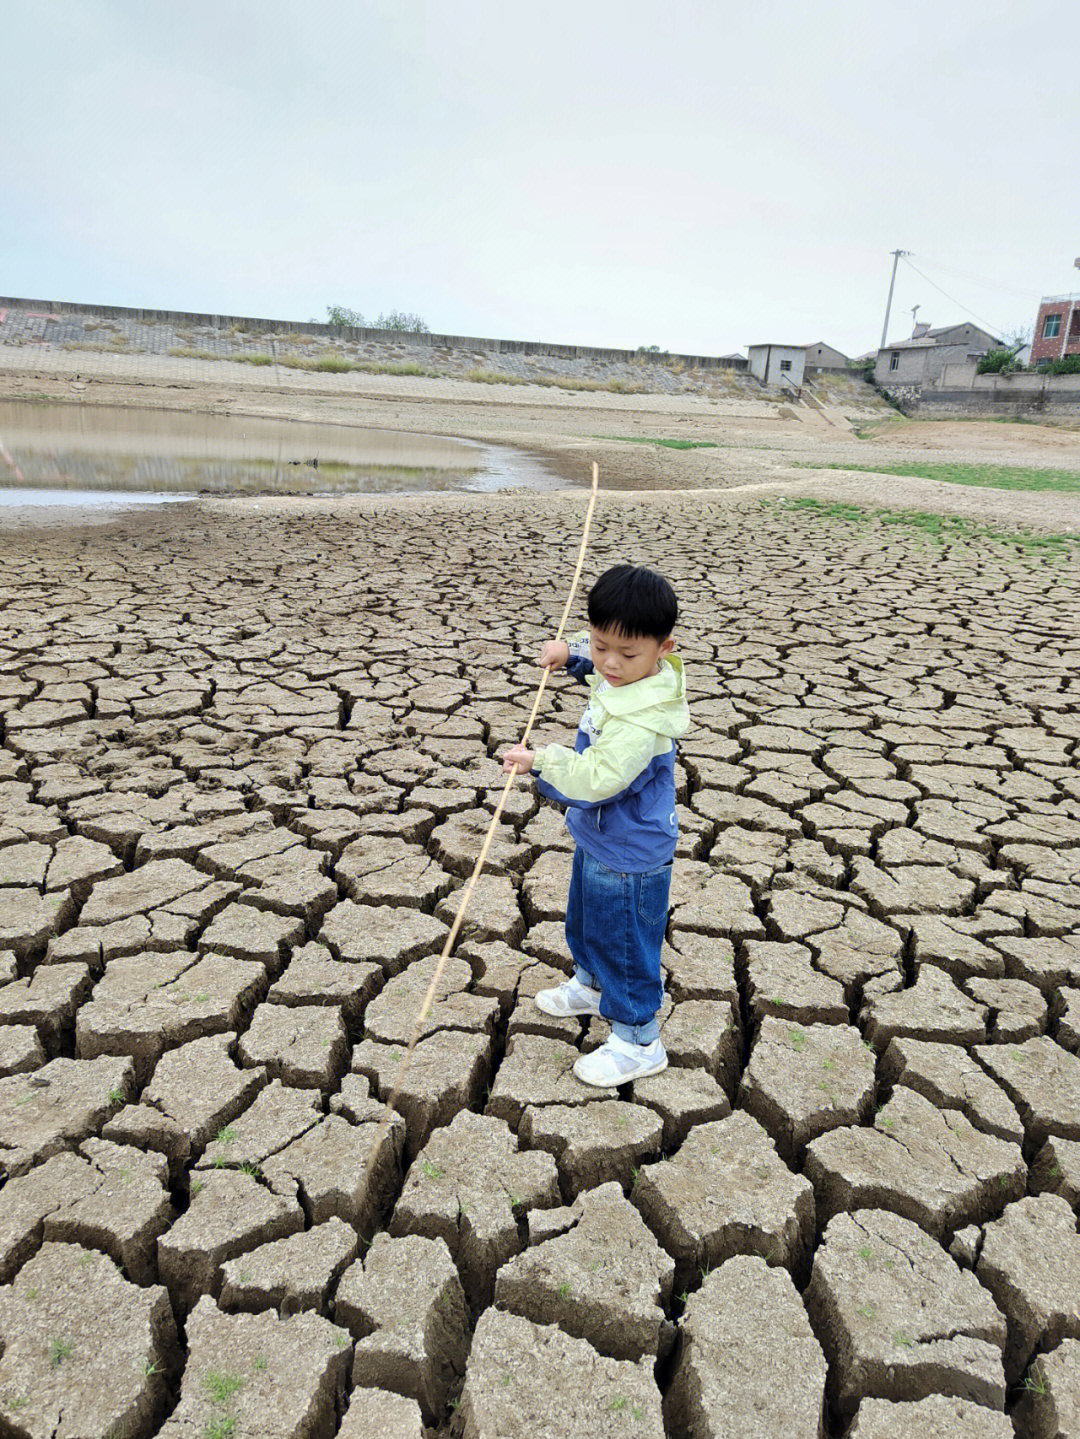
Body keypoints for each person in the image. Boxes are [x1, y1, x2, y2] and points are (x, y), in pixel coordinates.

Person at [502, 563, 689, 1085]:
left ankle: (638, 1039)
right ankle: (589, 985)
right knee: (586, 921)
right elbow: (605, 672)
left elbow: (600, 778)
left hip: (630, 849)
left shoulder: (640, 721)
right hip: (602, 836)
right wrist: (572, 657)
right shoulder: (627, 674)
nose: (611, 662)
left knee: (623, 941)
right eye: (599, 643)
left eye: (626, 653)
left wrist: (540, 761)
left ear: (663, 649)